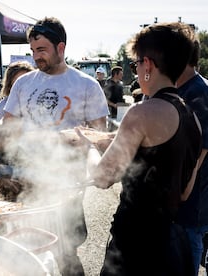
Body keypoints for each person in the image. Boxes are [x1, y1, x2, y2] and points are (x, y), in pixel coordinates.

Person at [0, 17, 109, 276]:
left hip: (65, 184)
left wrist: (72, 139)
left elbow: (98, 136)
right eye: (33, 51)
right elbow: (6, 127)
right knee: (16, 248)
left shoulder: (86, 85)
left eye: (42, 50)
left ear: (61, 48)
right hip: (22, 179)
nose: (36, 57)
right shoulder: (24, 83)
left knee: (66, 253)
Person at [78, 22, 201, 276]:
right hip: (173, 247)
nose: (135, 71)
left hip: (135, 248)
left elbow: (102, 177)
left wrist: (89, 147)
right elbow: (185, 191)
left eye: (135, 65)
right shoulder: (192, 117)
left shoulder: (141, 113)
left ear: (148, 65)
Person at [175, 36, 208, 275]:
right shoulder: (181, 88)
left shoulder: (199, 92)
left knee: (188, 249)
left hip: (193, 200)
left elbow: (200, 151)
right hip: (182, 199)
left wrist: (183, 190)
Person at [0, 61, 34, 126]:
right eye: (19, 82)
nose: (24, 85)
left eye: (28, 81)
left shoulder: (39, 105)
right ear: (9, 85)